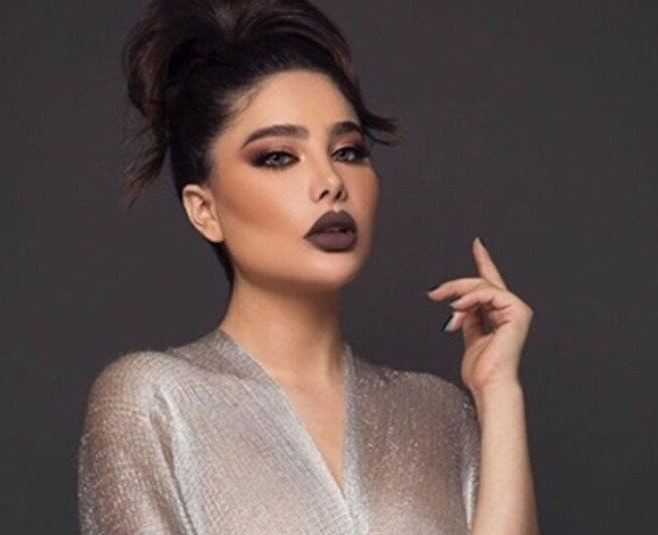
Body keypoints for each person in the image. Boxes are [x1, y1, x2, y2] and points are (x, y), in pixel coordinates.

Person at [77, 0, 540, 533]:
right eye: (278, 156)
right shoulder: (153, 400)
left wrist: (498, 391)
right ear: (205, 211)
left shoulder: (438, 413)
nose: (331, 182)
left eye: (348, 151)